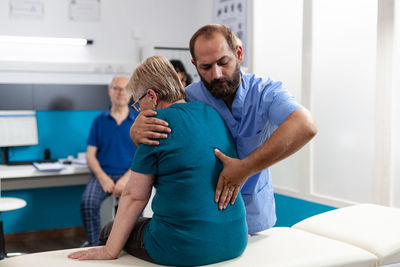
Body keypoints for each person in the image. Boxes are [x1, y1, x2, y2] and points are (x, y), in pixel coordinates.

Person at [130, 24, 317, 235]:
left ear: (238, 54)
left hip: (253, 218)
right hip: (204, 217)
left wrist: (246, 167)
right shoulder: (189, 98)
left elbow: (305, 125)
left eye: (223, 62)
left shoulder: (264, 92)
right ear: (195, 64)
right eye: (206, 67)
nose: (217, 74)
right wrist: (136, 131)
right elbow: (159, 132)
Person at [68, 56, 248, 266]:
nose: (138, 112)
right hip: (236, 240)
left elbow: (135, 196)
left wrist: (109, 251)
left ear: (152, 96)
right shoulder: (212, 113)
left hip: (185, 247)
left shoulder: (154, 125)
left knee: (110, 231)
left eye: (137, 104)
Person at [80, 76, 137, 246]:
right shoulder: (99, 121)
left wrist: (125, 179)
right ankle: (95, 246)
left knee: (134, 209)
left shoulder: (138, 120)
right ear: (109, 91)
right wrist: (102, 178)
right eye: (116, 88)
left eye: (125, 88)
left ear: (131, 93)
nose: (121, 93)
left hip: (130, 175)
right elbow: (90, 155)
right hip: (103, 175)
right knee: (87, 204)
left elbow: (144, 155)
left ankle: (128, 247)